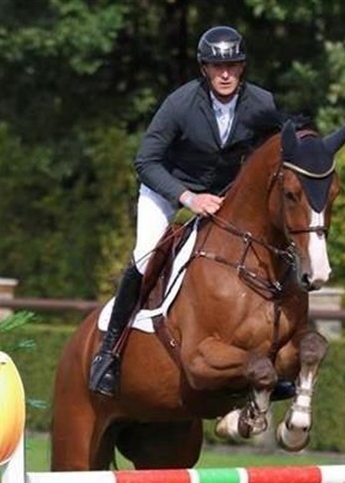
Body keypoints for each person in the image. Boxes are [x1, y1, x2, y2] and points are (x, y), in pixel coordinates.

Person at [88, 25, 278, 397]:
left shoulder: (262, 103)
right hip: (169, 190)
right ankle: (108, 353)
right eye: (217, 66)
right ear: (204, 69)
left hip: (225, 198)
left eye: (233, 66)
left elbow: (272, 156)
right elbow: (146, 161)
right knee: (145, 256)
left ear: (242, 67)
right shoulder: (180, 103)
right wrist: (189, 198)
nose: (225, 74)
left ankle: (272, 356)